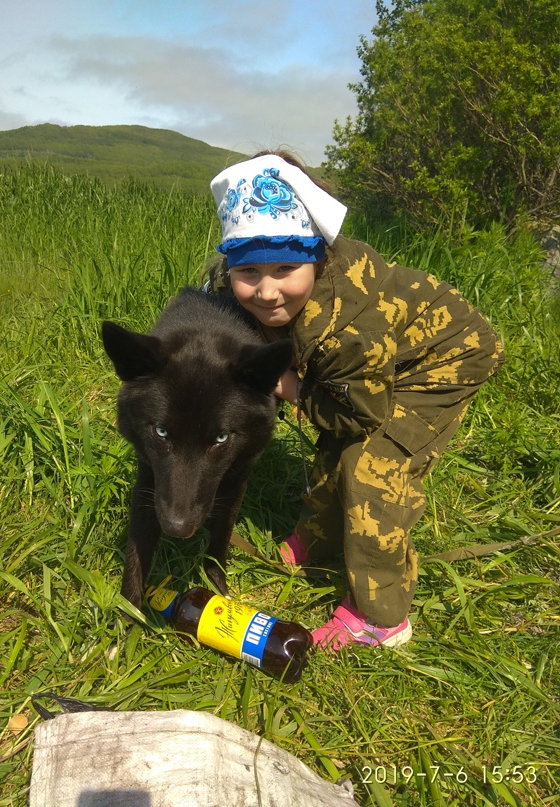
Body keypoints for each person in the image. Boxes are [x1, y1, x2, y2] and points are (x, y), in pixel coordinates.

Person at [204, 151, 504, 650]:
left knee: (371, 465)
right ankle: (320, 539)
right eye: (249, 271)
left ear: (317, 259)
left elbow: (358, 412)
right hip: (372, 368)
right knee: (338, 446)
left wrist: (287, 387)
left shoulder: (347, 329)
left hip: (442, 358)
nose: (267, 290)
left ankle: (380, 618)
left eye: (285, 267)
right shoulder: (240, 289)